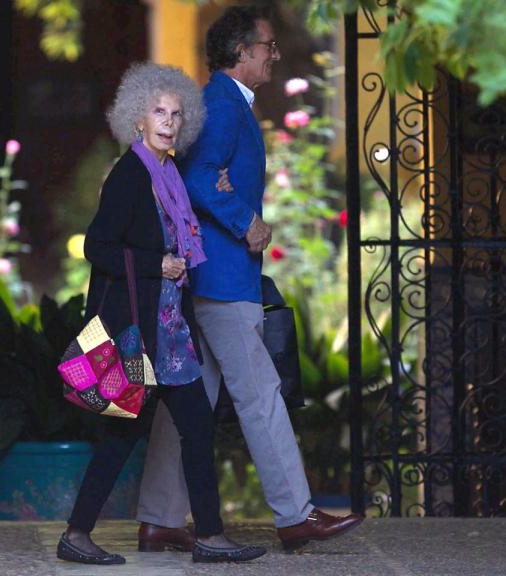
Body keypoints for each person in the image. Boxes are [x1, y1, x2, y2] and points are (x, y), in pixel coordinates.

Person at [135, 7, 364, 552]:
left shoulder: (223, 102)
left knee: (190, 399)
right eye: (267, 45)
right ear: (241, 53)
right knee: (260, 395)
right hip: (223, 275)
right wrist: (247, 222)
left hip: (210, 275)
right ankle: (296, 515)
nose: (274, 53)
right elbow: (195, 177)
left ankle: (160, 519)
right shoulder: (221, 104)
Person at [56, 63, 266, 566]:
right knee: (122, 433)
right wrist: (158, 264)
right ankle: (77, 534)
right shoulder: (131, 175)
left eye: (176, 114)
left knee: (196, 427)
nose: (169, 122)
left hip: (169, 329)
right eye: (158, 112)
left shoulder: (168, 174)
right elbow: (97, 246)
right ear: (137, 119)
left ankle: (210, 536)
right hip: (138, 329)